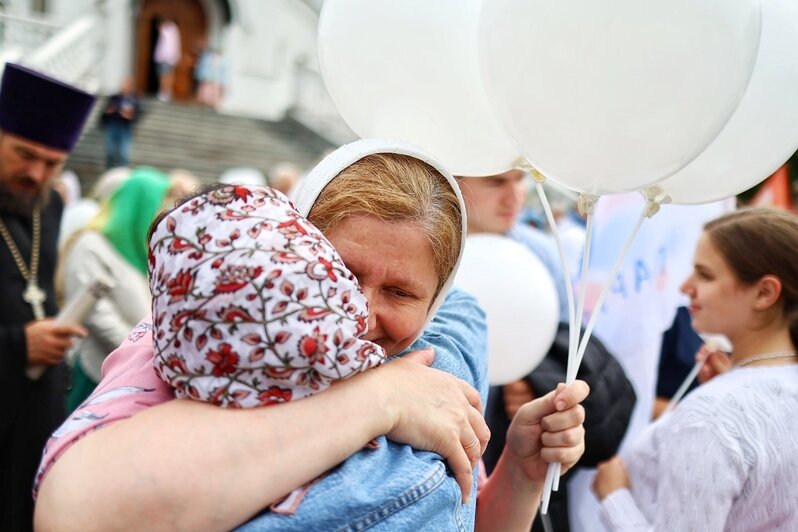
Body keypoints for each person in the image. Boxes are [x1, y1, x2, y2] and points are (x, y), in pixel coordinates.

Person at [35, 139, 588, 531]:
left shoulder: (429, 371)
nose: (362, 314)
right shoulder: (195, 340)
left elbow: (461, 519)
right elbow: (76, 513)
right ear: (291, 247)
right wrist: (381, 399)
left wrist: (520, 470)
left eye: (400, 293)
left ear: (436, 302)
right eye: (343, 273)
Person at [593, 207, 798, 530]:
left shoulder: (712, 415)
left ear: (764, 293)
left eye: (705, 275)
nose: (685, 286)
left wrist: (614, 495)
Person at [457, 169, 635, 531]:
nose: (515, 196)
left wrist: (539, 379)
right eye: (495, 182)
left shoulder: (540, 252)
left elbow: (556, 338)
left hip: (514, 449)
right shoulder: (429, 244)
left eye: (520, 179)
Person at [0, 63, 95, 531]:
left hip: (35, 415)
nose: (36, 174)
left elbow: (34, 291)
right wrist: (18, 344)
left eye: (53, 163)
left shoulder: (48, 205)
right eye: (24, 155)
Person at [57, 167, 173, 412]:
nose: (165, 209)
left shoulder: (144, 247)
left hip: (141, 375)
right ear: (139, 203)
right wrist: (144, 354)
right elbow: (97, 315)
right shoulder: (91, 245)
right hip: (99, 371)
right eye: (160, 200)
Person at [99, 76, 141, 168]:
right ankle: (109, 172)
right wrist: (109, 111)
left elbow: (137, 115)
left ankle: (122, 174)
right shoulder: (114, 97)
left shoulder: (134, 99)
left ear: (130, 87)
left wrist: (129, 115)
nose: (123, 87)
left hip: (125, 127)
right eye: (122, 85)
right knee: (110, 151)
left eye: (126, 85)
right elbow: (104, 111)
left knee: (124, 153)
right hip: (112, 124)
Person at [153, 18, 182, 102]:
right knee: (162, 75)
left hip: (168, 58)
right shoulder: (164, 33)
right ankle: (163, 91)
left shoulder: (171, 31)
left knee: (167, 76)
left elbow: (172, 46)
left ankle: (166, 92)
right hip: (162, 58)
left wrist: (173, 57)